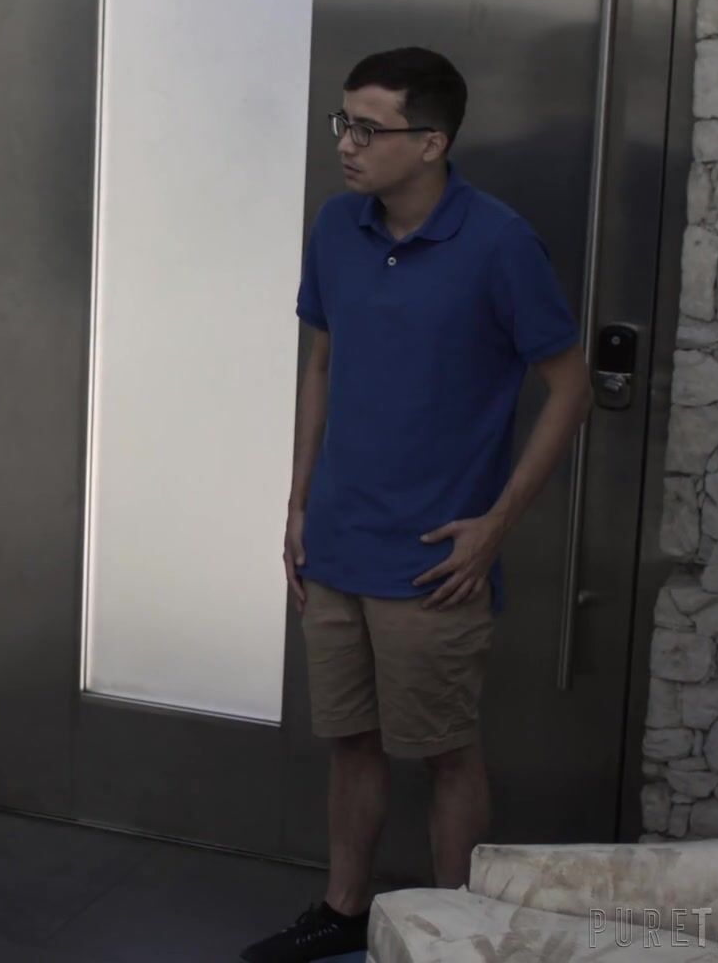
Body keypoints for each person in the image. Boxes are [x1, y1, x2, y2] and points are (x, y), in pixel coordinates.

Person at [240, 48, 592, 963]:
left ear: (432, 142)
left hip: (434, 558)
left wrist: (495, 527)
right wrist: (297, 502)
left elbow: (570, 386)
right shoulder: (336, 226)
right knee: (351, 741)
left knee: (445, 751)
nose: (346, 144)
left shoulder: (500, 243)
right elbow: (322, 362)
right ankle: (344, 910)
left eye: (369, 129)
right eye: (342, 123)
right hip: (336, 542)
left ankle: (455, 933)